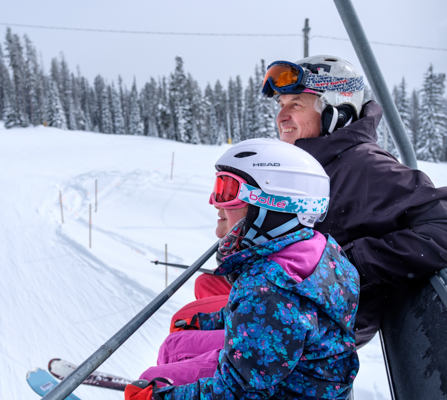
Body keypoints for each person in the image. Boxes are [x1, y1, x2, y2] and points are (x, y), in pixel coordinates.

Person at [127, 139, 360, 400]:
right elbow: (260, 320)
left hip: (287, 390)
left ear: (273, 205)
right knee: (174, 345)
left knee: (151, 378)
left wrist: (161, 397)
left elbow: (239, 392)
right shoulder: (316, 249)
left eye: (226, 190)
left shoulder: (271, 288)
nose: (214, 201)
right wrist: (207, 322)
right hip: (290, 368)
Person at [259, 55, 447, 347]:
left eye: (295, 104)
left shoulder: (365, 166)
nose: (281, 117)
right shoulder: (314, 166)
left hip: (314, 338)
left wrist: (350, 263)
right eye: (281, 105)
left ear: (337, 111)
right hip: (287, 314)